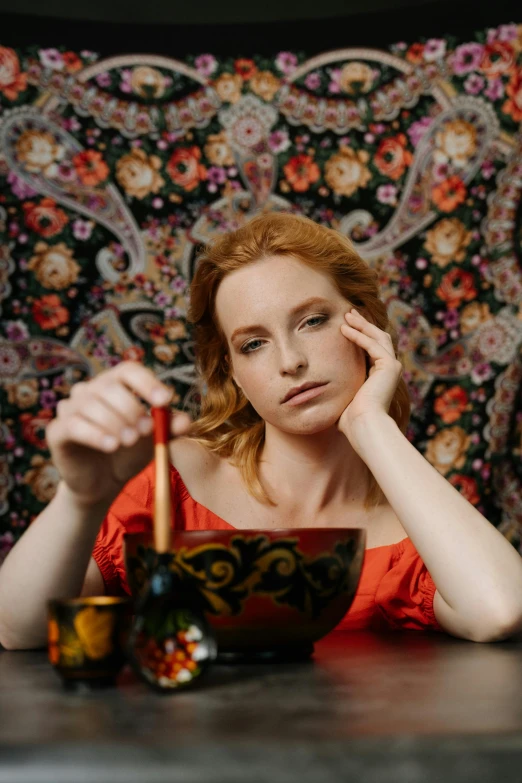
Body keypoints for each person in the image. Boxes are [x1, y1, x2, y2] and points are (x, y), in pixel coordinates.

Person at [1, 211, 522, 651]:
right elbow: (17, 629)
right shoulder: (168, 479)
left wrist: (371, 425)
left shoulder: (418, 526)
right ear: (232, 373)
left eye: (312, 321)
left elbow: (500, 609)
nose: (290, 362)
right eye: (253, 344)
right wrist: (78, 499)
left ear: (365, 326)